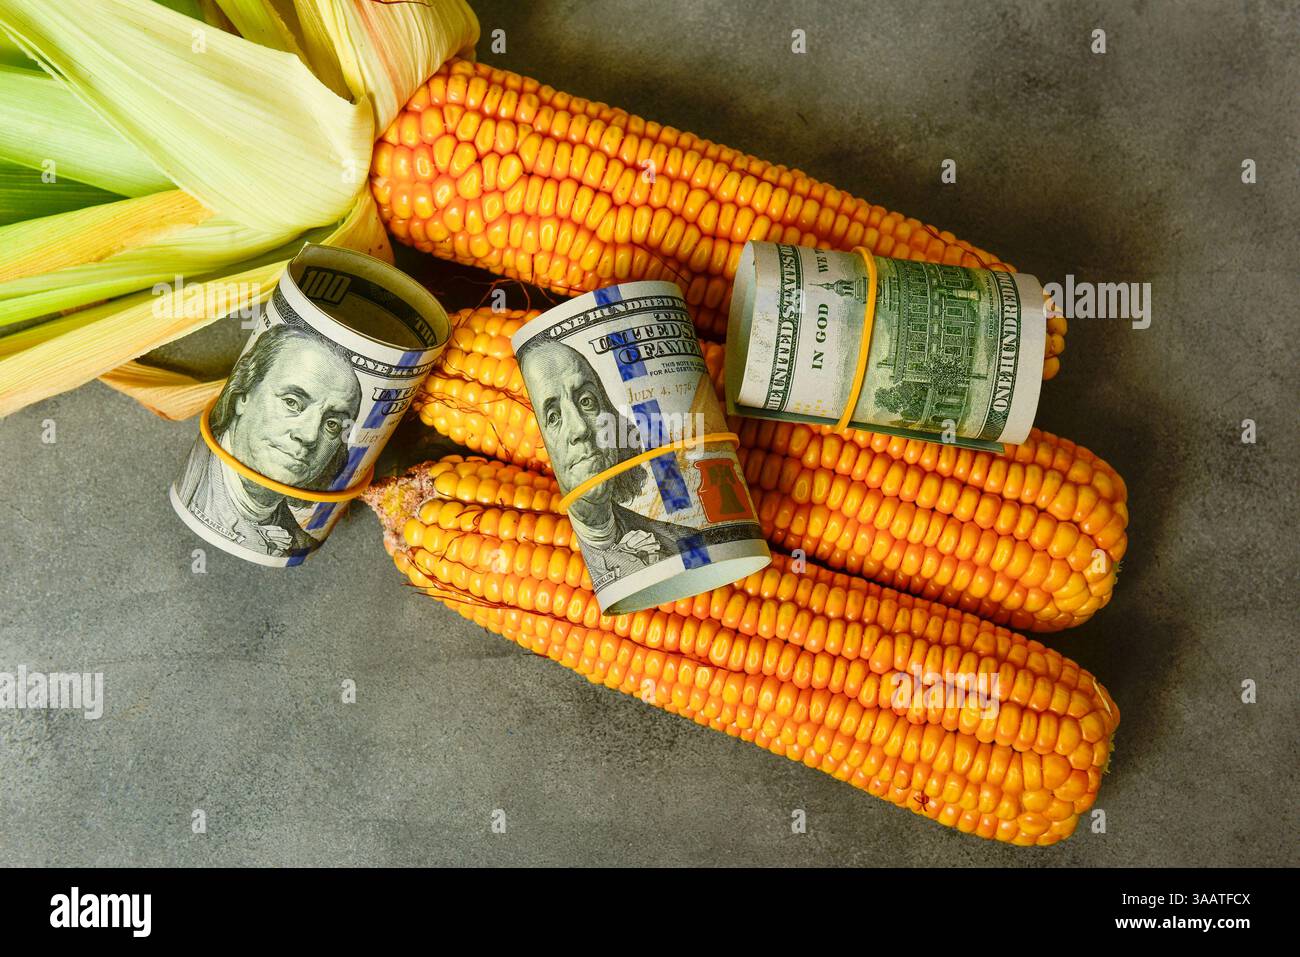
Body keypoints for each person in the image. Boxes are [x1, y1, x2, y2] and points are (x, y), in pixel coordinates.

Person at [517, 337, 694, 584]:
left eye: (586, 401)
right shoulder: (537, 561)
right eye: (554, 417)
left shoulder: (681, 541)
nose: (579, 428)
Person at [177, 323, 362, 557]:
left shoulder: (299, 543)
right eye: (292, 402)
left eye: (332, 425)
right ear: (243, 394)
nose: (308, 436)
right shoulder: (195, 487)